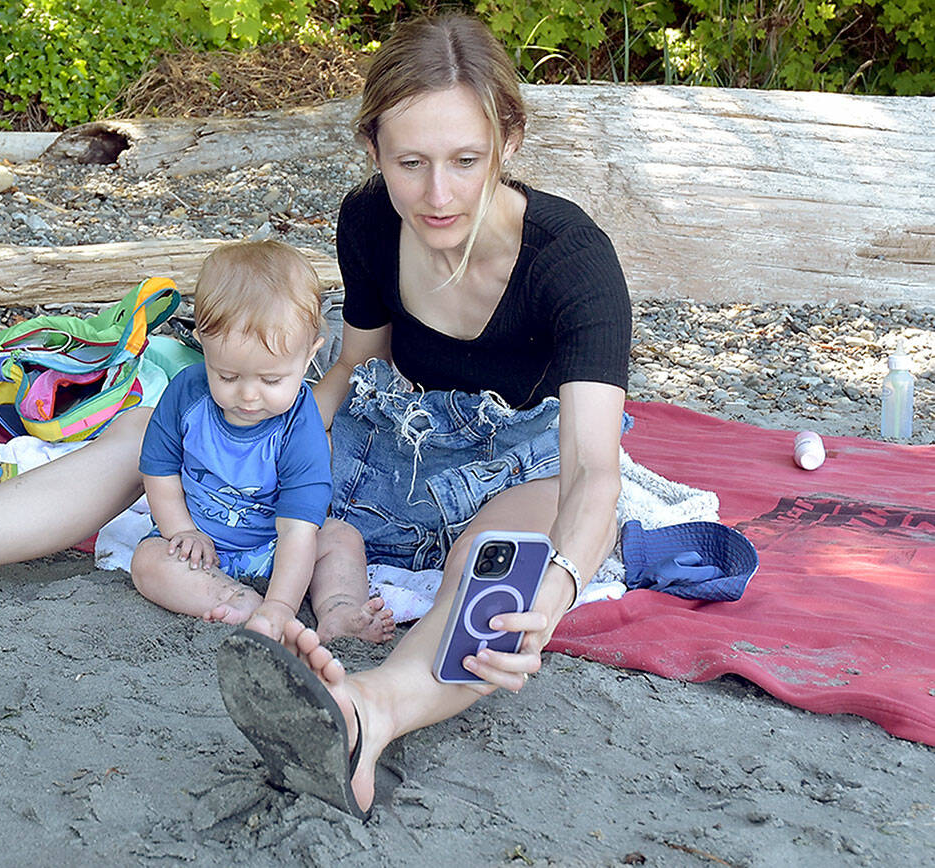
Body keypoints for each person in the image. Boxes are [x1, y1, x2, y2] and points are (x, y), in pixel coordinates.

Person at [214, 14, 632, 817]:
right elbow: (358, 367)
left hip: (525, 463)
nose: (436, 196)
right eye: (410, 163)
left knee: (500, 565)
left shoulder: (573, 260)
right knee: (167, 431)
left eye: (465, 161)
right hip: (399, 437)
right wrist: (264, 445)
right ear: (373, 149)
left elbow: (592, 468)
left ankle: (365, 713)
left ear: (508, 140)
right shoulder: (369, 219)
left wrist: (559, 589)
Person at [131, 240, 394, 644]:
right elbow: (159, 471)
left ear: (309, 356)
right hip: (204, 549)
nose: (249, 396)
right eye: (228, 376)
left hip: (279, 546)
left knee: (341, 538)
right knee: (147, 562)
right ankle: (236, 599)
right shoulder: (186, 395)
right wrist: (183, 531)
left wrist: (283, 606)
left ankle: (338, 609)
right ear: (203, 341)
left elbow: (297, 529)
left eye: (272, 380)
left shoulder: (298, 427)